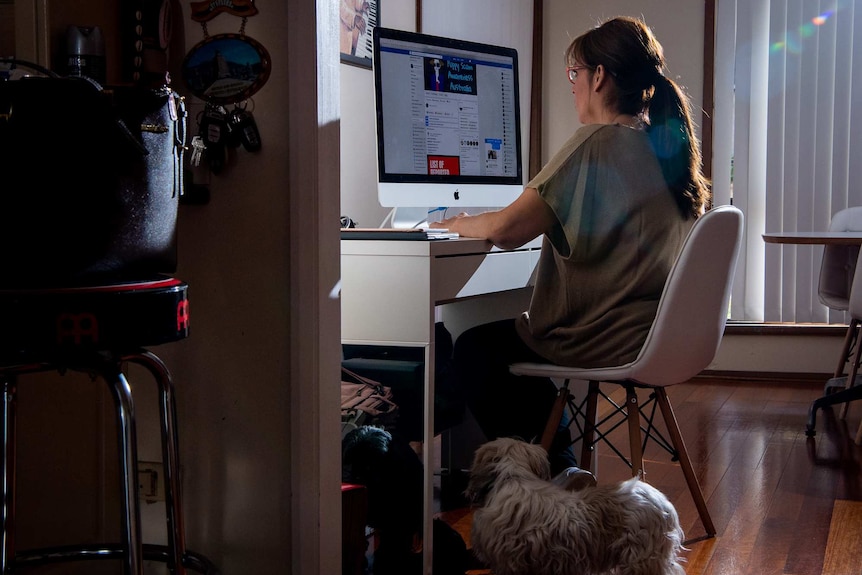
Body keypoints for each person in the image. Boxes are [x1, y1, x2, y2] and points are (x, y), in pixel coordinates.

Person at [430, 16, 709, 473]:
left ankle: (551, 475)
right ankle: (560, 466)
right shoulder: (667, 152)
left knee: (475, 350)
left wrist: (457, 223)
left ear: (599, 76)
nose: (573, 85)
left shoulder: (595, 143)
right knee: (505, 339)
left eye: (574, 74)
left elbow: (507, 230)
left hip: (600, 338)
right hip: (653, 335)